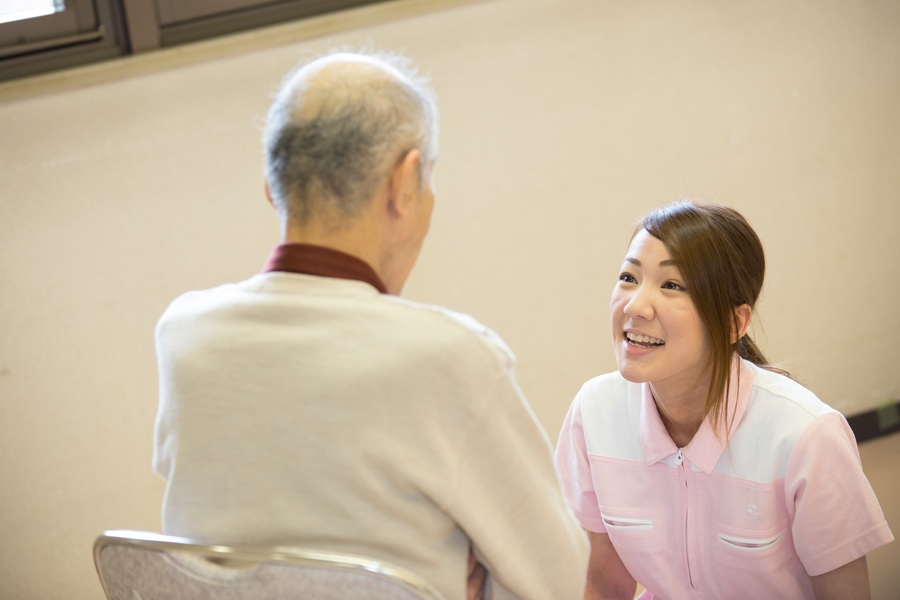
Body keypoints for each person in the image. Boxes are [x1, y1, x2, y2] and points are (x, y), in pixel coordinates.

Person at [152, 50, 589, 600]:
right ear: (405, 184)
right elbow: (556, 582)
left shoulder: (184, 335)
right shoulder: (449, 357)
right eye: (429, 177)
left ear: (271, 185)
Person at [554, 200, 893, 599]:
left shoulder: (807, 435)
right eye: (629, 277)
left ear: (735, 322)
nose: (634, 305)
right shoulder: (594, 413)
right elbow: (606, 585)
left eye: (672, 285)